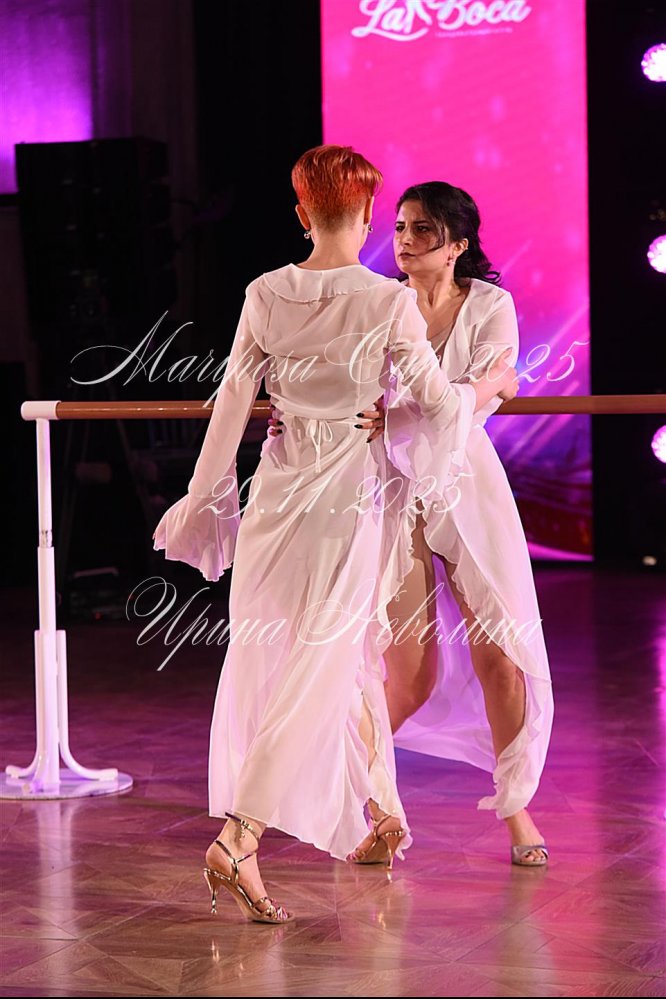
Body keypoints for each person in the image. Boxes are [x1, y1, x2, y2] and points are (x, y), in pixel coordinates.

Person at [153, 150, 517, 925]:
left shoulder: (265, 292)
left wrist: (203, 501)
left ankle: (372, 813)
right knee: (317, 668)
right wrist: (488, 383)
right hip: (345, 503)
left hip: (275, 496)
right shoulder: (387, 301)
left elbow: (230, 406)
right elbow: (440, 407)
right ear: (369, 213)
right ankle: (240, 835)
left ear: (302, 213)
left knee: (295, 663)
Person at [270, 181, 553, 868]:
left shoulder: (489, 305)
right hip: (391, 488)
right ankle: (357, 794)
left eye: (423, 229)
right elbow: (348, 391)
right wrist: (300, 414)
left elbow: (480, 399)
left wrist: (454, 398)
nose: (404, 240)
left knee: (502, 657)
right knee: (409, 674)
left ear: (457, 245)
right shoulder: (380, 303)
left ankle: (515, 806)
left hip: (467, 484)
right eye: (399, 226)